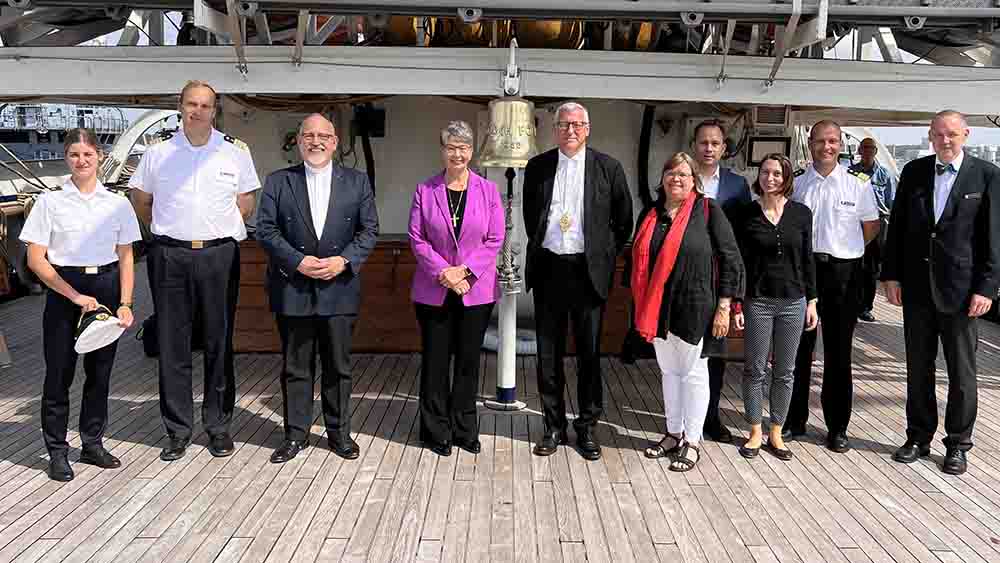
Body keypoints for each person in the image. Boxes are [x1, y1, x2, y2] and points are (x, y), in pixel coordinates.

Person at [129, 80, 260, 462]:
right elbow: (141, 200)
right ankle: (177, 430)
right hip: (170, 256)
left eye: (205, 105)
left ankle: (218, 426)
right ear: (180, 107)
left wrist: (214, 230)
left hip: (219, 255)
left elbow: (246, 203)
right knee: (172, 344)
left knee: (219, 341)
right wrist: (170, 230)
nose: (197, 111)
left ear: (214, 110)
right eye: (191, 104)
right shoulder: (158, 153)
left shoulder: (234, 153)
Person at [882, 110, 1000, 475]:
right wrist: (891, 276)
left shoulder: (987, 175)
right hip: (917, 290)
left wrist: (987, 287)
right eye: (938, 135)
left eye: (951, 134)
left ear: (965, 134)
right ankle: (918, 436)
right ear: (930, 137)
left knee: (962, 373)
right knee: (919, 368)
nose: (944, 141)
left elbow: (994, 237)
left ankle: (958, 444)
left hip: (963, 293)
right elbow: (898, 226)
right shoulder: (915, 172)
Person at [20, 128, 141, 481]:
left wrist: (125, 302)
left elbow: (126, 256)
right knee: (59, 375)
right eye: (74, 155)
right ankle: (57, 451)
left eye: (88, 154)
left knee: (99, 375)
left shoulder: (117, 204)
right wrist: (73, 296)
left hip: (105, 286)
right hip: (65, 291)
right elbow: (36, 260)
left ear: (99, 157)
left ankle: (92, 443)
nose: (81, 160)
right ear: (67, 158)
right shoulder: (50, 202)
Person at [256, 113, 378, 462]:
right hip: (294, 286)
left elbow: (369, 230)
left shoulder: (357, 182)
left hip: (339, 286)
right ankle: (295, 435)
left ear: (336, 142)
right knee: (296, 366)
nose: (316, 141)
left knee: (338, 365)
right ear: (299, 141)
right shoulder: (279, 181)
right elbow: (266, 229)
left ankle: (339, 434)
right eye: (309, 135)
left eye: (324, 135)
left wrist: (343, 261)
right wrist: (297, 261)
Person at [522, 102, 633, 460]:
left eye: (577, 124)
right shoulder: (538, 167)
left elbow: (623, 221)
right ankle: (553, 426)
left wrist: (601, 256)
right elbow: (531, 217)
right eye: (564, 124)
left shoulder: (609, 168)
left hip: (588, 273)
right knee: (548, 354)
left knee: (589, 354)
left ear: (588, 129)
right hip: (550, 269)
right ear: (554, 129)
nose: (570, 130)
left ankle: (586, 427)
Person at [630, 152, 743, 472]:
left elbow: (731, 258)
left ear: (694, 180)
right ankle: (672, 432)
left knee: (693, 373)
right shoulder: (650, 213)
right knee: (669, 372)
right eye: (670, 173)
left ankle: (692, 440)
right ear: (662, 178)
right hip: (658, 308)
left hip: (697, 306)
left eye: (683, 174)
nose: (676, 179)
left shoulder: (709, 211)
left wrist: (725, 305)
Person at [408, 120, 504, 457]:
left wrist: (464, 272)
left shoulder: (488, 191)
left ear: (472, 151)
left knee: (468, 362)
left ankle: (464, 428)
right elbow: (417, 239)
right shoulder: (425, 190)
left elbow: (495, 238)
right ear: (442, 150)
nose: (458, 153)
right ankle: (435, 431)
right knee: (435, 362)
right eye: (451, 147)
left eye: (463, 147)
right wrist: (444, 273)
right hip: (433, 290)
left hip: (475, 290)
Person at [784, 120, 880, 453]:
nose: (827, 146)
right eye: (820, 141)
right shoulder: (797, 185)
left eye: (833, 141)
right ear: (809, 144)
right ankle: (794, 420)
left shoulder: (858, 185)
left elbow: (871, 227)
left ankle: (837, 427)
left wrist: (847, 250)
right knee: (799, 350)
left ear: (841, 145)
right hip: (805, 272)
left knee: (839, 354)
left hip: (844, 274)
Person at [732, 154, 818, 461]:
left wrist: (813, 301)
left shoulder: (802, 214)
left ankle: (777, 431)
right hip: (758, 301)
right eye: (766, 172)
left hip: (794, 302)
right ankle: (755, 430)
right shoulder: (745, 214)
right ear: (759, 176)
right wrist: (738, 303)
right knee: (755, 369)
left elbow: (807, 259)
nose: (771, 178)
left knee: (785, 371)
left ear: (786, 178)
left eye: (777, 173)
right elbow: (738, 262)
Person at [690, 118, 752, 444]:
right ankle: (686, 418)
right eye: (703, 142)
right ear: (694, 146)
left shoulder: (736, 186)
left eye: (715, 143)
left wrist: (737, 290)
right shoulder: (680, 178)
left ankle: (711, 418)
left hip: (719, 280)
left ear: (724, 148)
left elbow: (742, 238)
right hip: (687, 278)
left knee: (716, 353)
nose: (709, 148)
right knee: (686, 351)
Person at [850, 138, 896, 322]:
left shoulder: (885, 175)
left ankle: (865, 307)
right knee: (851, 265)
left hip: (877, 224)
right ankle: (850, 304)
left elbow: (892, 203)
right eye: (864, 147)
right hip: (854, 224)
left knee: (870, 269)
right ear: (859, 150)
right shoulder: (850, 172)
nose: (867, 151)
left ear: (876, 151)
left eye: (871, 148)